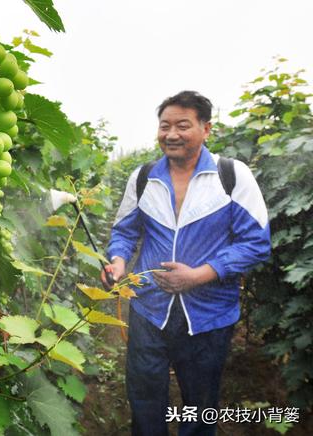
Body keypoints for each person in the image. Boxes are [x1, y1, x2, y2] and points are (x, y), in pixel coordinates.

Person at [102, 91, 271, 436]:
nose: (171, 134)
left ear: (206, 129)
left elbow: (256, 243)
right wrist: (118, 263)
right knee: (144, 396)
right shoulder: (143, 177)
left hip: (208, 316)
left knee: (200, 402)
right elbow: (124, 232)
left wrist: (198, 275)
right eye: (165, 126)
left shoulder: (231, 177)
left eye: (183, 125)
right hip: (149, 309)